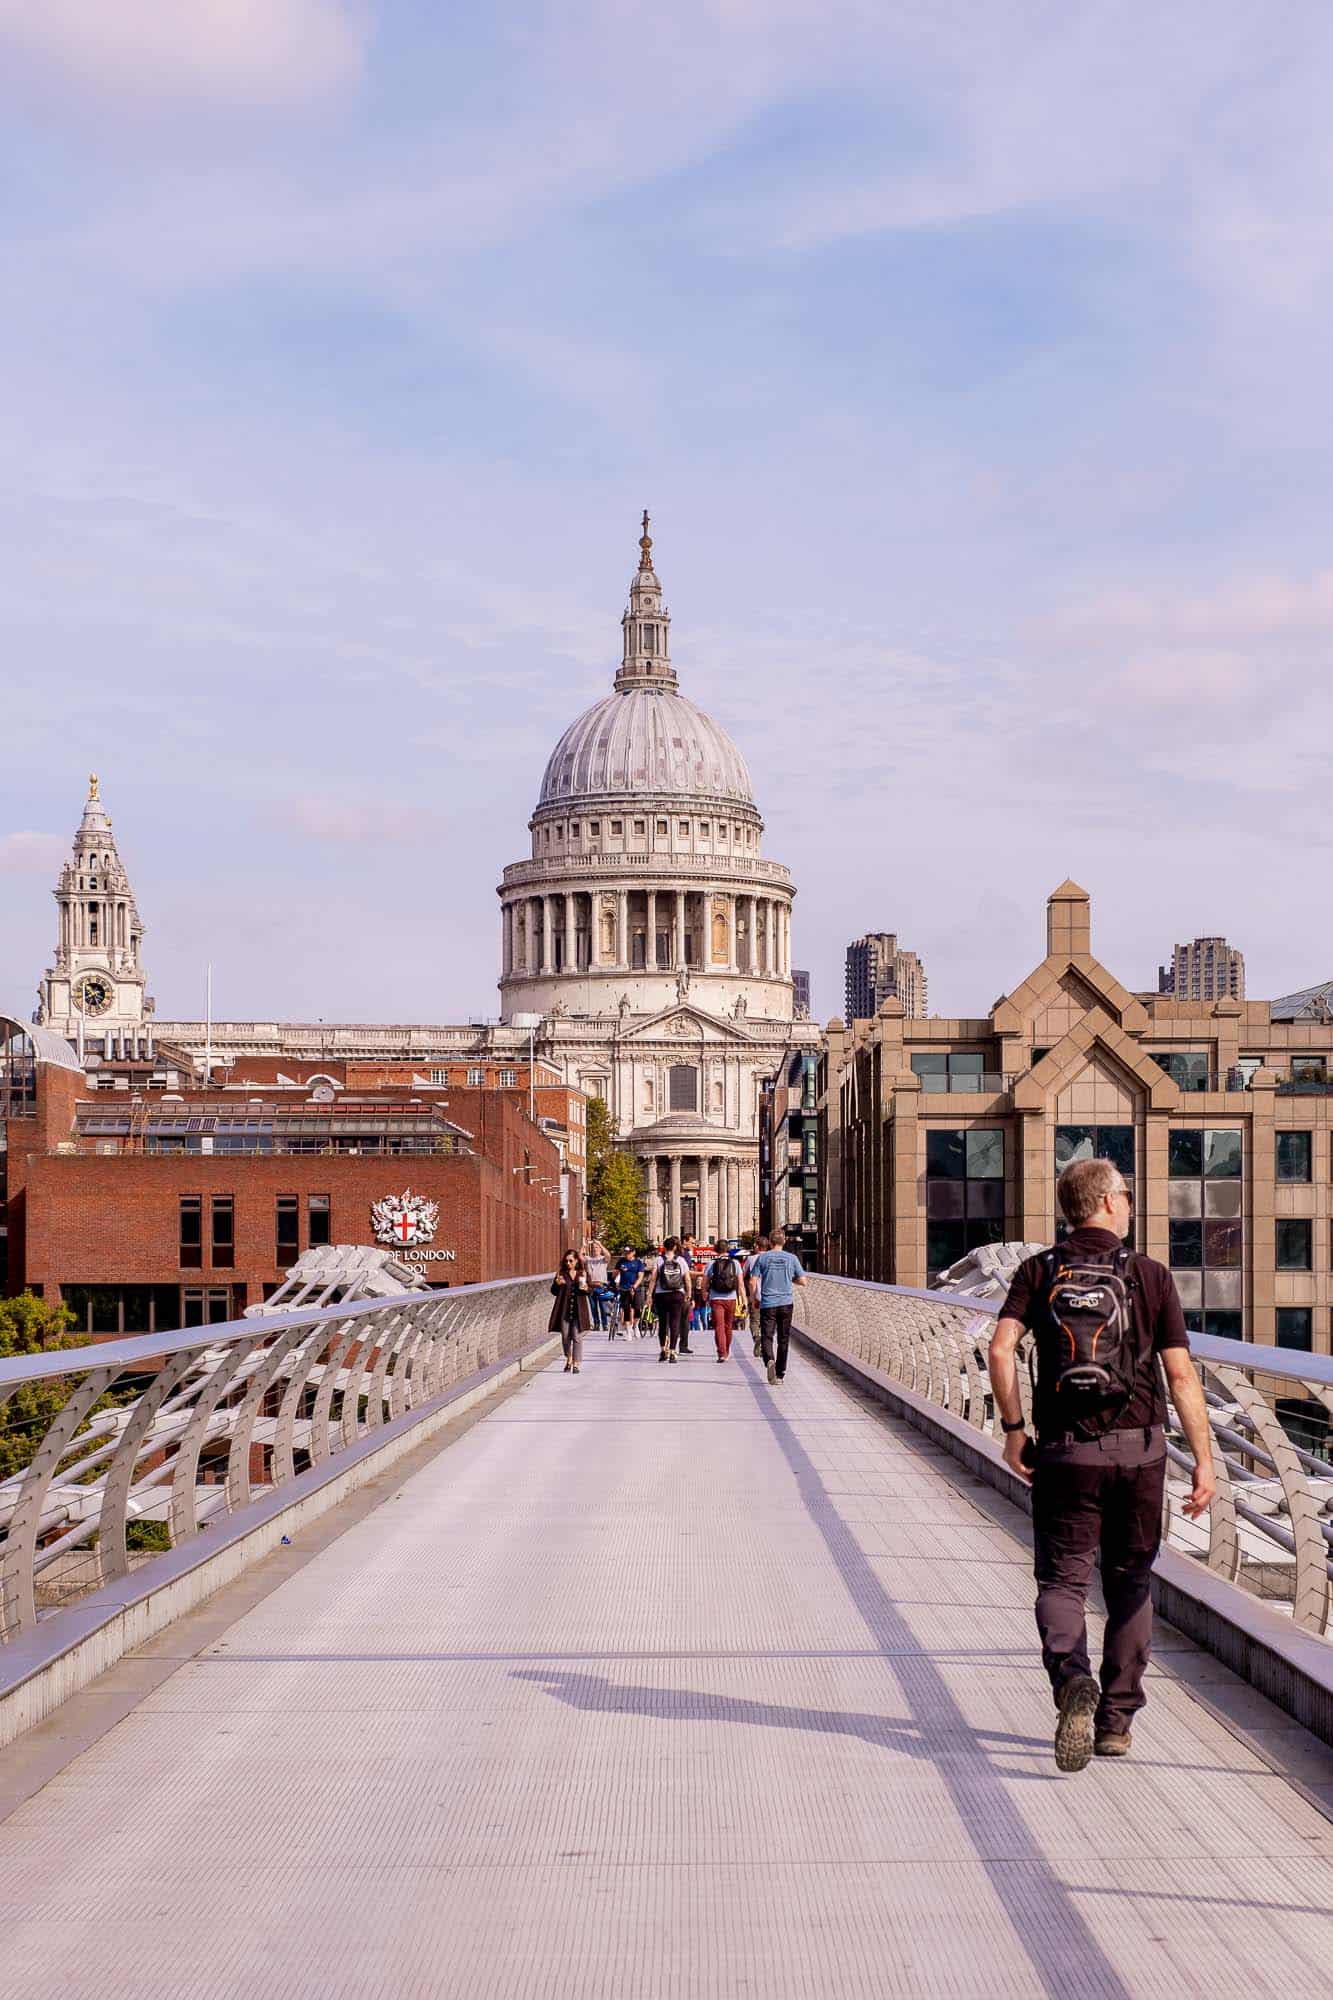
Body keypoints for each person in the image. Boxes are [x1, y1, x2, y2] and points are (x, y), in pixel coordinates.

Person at [988, 1157, 1216, 1773]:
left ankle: (1071, 1683)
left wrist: (1014, 1431)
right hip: (1140, 1450)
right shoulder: (1150, 1276)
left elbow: (1001, 1348)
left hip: (1064, 1450)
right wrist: (1203, 1460)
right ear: (1110, 1202)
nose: (1132, 1202)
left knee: (1062, 1581)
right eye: (1129, 1193)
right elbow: (1181, 1375)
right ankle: (1115, 1723)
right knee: (1131, 1581)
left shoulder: (1038, 1271)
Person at [748, 1229, 806, 1385]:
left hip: (768, 1303)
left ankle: (769, 1360)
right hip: (786, 1303)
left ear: (770, 1242)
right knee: (783, 1339)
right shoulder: (791, 1258)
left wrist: (754, 1299)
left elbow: (752, 1281)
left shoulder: (763, 1258)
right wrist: (789, 1278)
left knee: (767, 1336)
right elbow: (803, 1281)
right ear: (784, 1241)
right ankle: (780, 1374)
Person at [548, 1249, 592, 1375]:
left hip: (579, 1309)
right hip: (564, 1309)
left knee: (577, 1336)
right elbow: (554, 1291)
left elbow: (590, 1291)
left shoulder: (582, 1273)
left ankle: (576, 1363)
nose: (568, 1263)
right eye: (566, 1261)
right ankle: (569, 1358)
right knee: (566, 1336)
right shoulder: (561, 1274)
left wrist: (586, 1288)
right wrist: (557, 1284)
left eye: (571, 1261)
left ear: (576, 1261)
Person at [652, 1235, 692, 1363]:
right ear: (675, 1247)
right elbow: (687, 1279)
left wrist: (648, 1295)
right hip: (677, 1294)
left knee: (663, 1323)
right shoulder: (681, 1260)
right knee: (675, 1322)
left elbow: (653, 1279)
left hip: (661, 1294)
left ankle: (663, 1350)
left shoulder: (658, 1260)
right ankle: (673, 1351)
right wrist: (688, 1293)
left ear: (664, 1247)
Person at [706, 1241, 742, 1361]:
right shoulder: (735, 1263)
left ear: (716, 1249)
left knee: (719, 1326)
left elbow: (705, 1281)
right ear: (728, 1249)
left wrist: (704, 1295)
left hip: (716, 1298)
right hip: (731, 1297)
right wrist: (743, 1299)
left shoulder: (711, 1263)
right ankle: (726, 1350)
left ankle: (722, 1353)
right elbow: (740, 1284)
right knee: (728, 1325)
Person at [744, 1237, 769, 1355]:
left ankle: (756, 1337)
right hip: (770, 1297)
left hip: (756, 1295)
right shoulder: (771, 1258)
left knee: (754, 1321)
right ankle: (765, 1345)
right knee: (767, 1322)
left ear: (758, 1246)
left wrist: (750, 1297)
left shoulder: (751, 1259)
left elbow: (744, 1275)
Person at [582, 1234, 610, 1333]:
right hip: (591, 1286)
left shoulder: (603, 1259)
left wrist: (600, 1244)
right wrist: (584, 1246)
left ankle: (605, 1324)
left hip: (601, 1286)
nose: (595, 1249)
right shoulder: (588, 1259)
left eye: (597, 1247)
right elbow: (580, 1257)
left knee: (602, 1306)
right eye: (594, 1248)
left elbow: (608, 1255)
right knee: (593, 1307)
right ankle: (596, 1324)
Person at [615, 1245, 644, 1334]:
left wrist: (634, 1286)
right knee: (626, 1308)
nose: (627, 1254)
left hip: (636, 1288)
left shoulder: (638, 1263)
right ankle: (628, 1330)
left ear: (633, 1252)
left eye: (629, 1252)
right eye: (626, 1253)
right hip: (624, 1288)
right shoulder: (621, 1262)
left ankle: (636, 1325)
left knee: (637, 1308)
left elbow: (640, 1276)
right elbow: (615, 1273)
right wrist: (617, 1276)